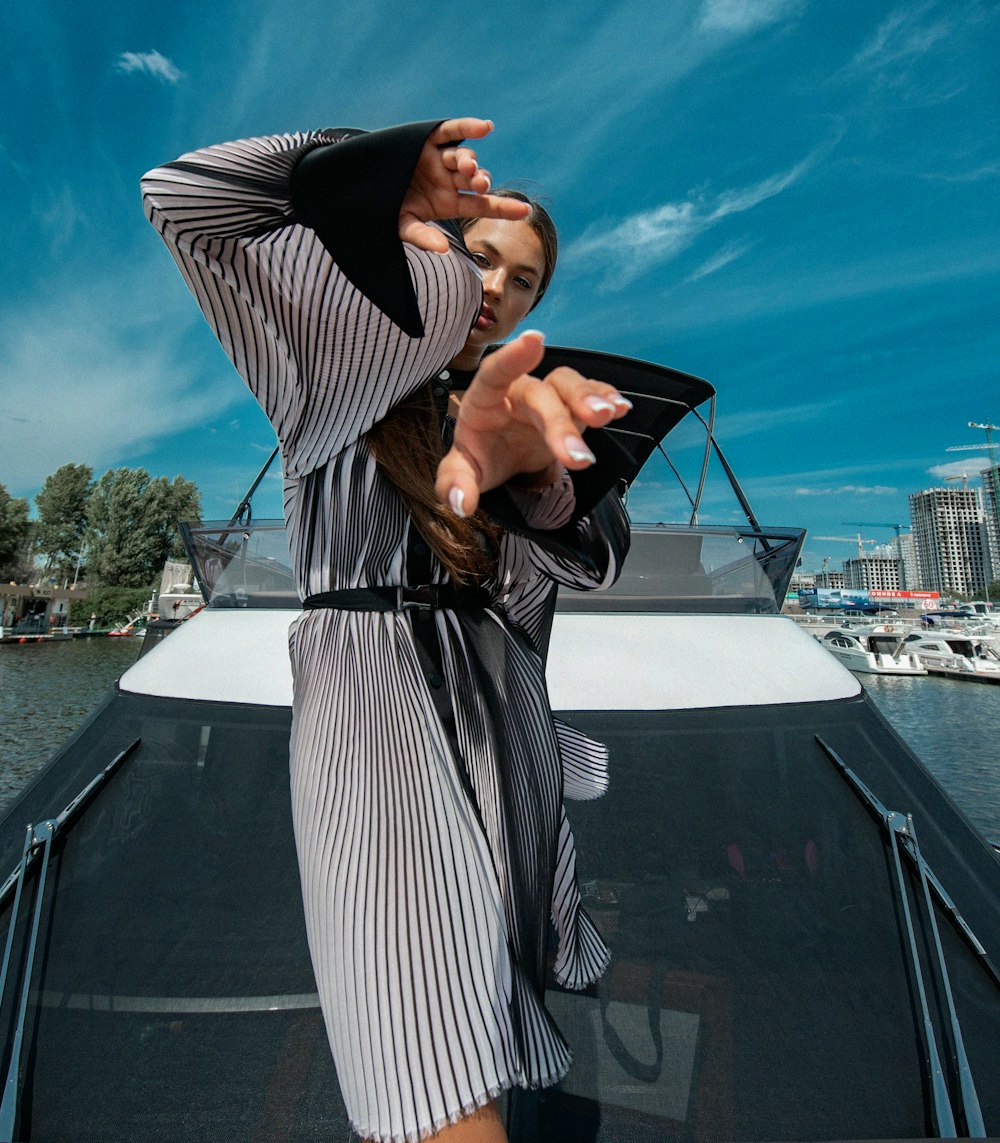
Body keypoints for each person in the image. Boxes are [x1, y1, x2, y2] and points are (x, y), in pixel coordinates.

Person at [142, 117, 632, 1143]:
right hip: (376, 724)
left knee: (488, 1035)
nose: (497, 288)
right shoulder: (328, 375)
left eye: (526, 281)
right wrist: (361, 165)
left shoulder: (523, 405)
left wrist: (534, 480)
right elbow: (181, 200)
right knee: (434, 1082)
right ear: (434, 237)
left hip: (497, 738)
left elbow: (584, 560)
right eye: (481, 252)